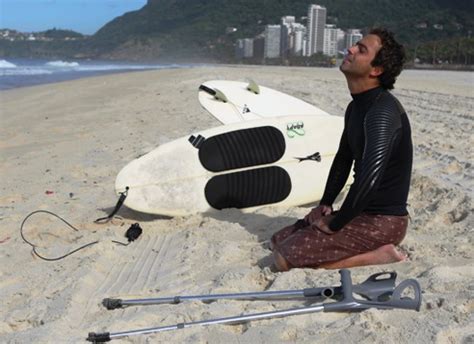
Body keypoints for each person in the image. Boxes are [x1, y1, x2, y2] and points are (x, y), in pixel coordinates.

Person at [271, 28, 412, 271]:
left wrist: (337, 222)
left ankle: (377, 256)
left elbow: (369, 178)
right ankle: (357, 242)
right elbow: (343, 159)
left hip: (382, 222)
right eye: (356, 45)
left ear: (376, 70)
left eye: (361, 49)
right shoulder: (355, 107)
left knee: (284, 259)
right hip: (359, 212)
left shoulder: (381, 112)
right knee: (277, 240)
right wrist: (325, 203)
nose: (350, 49)